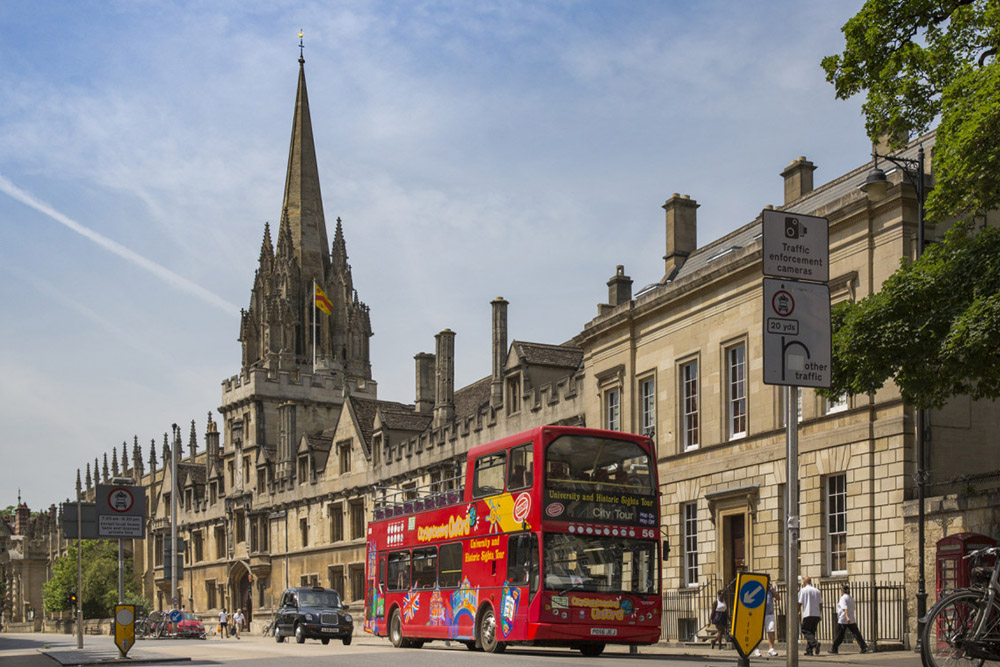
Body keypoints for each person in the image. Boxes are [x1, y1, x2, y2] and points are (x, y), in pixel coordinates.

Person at [830, 584, 869, 654]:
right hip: (851, 619)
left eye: (841, 590)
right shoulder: (851, 598)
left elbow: (845, 608)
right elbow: (852, 608)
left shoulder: (843, 598)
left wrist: (847, 617)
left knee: (839, 635)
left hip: (843, 619)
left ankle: (834, 649)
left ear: (842, 591)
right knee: (856, 634)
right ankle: (864, 647)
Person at [753, 582, 780, 657]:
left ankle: (771, 649)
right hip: (759, 613)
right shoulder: (758, 588)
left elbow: (778, 598)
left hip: (770, 613)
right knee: (758, 632)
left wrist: (772, 590)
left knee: (771, 630)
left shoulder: (770, 589)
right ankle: (756, 649)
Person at [798, 576, 823, 656]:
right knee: (811, 632)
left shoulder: (803, 590)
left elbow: (799, 603)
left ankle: (815, 643)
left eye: (803, 581)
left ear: (805, 582)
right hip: (816, 614)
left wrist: (796, 611)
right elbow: (820, 603)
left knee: (805, 630)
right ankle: (809, 651)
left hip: (808, 613)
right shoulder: (816, 591)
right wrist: (820, 613)